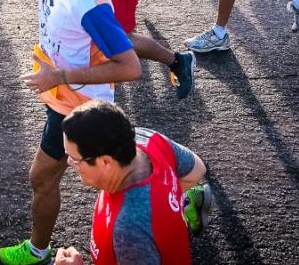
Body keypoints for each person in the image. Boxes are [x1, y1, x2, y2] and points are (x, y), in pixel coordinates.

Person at [0, 0, 143, 265]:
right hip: (58, 90)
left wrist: (60, 76)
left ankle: (38, 252)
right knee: (116, 169)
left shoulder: (91, 5)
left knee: (49, 177)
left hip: (79, 104)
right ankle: (184, 194)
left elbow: (130, 67)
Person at [53, 101, 211, 265]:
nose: (69, 163)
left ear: (106, 161)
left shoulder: (129, 229)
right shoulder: (146, 139)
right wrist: (170, 205)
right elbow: (197, 169)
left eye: (74, 158)